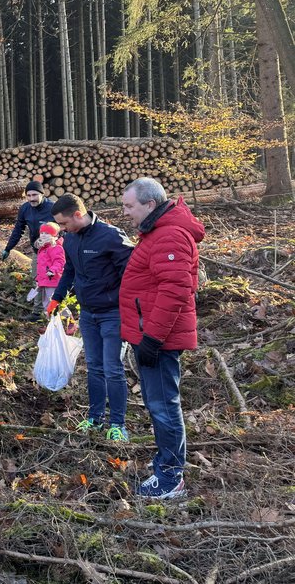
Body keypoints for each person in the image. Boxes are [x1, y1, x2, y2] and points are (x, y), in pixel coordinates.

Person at [120, 178, 205, 499]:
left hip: (160, 339)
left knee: (163, 406)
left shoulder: (169, 235)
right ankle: (166, 467)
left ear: (150, 204)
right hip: (150, 334)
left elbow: (175, 291)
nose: (125, 212)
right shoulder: (157, 232)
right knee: (159, 405)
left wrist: (152, 339)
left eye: (129, 206)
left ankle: (170, 478)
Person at [47, 193, 135, 442]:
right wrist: (58, 296)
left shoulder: (111, 236)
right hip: (88, 313)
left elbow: (131, 275)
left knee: (112, 369)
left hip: (113, 313)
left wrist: (126, 306)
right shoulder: (70, 239)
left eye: (63, 224)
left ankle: (118, 424)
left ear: (78, 214)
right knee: (94, 368)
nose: (61, 229)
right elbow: (70, 270)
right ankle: (95, 418)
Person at [1, 182, 55, 320]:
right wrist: (8, 248)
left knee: (54, 280)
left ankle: (56, 311)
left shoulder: (53, 208)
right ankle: (37, 313)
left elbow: (65, 228)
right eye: (28, 195)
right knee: (37, 279)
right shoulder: (25, 209)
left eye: (35, 195)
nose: (32, 198)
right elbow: (18, 229)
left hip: (55, 251)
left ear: (42, 194)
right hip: (38, 251)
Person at [34, 222, 66, 315]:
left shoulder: (55, 247)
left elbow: (59, 261)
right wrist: (38, 279)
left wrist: (53, 270)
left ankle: (68, 322)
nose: (43, 235)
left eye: (47, 233)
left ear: (54, 235)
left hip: (53, 280)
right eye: (42, 233)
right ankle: (52, 324)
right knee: (46, 304)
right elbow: (41, 266)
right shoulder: (43, 248)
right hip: (45, 281)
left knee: (54, 303)